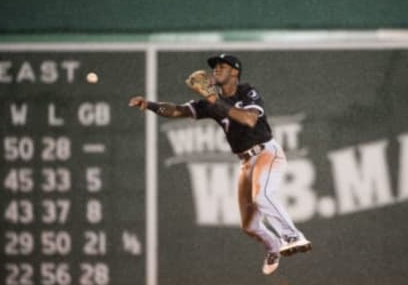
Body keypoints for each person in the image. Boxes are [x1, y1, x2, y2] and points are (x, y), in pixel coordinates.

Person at [129, 53, 311, 275]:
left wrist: (214, 99)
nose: (215, 69)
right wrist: (149, 104)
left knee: (263, 196)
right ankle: (273, 248)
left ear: (235, 71)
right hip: (245, 162)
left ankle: (292, 235)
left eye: (222, 66)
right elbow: (179, 110)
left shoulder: (246, 91)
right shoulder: (211, 102)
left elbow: (249, 119)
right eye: (214, 67)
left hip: (266, 152)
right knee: (249, 226)